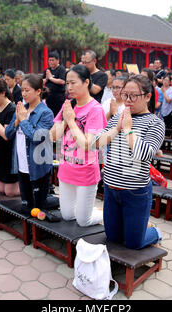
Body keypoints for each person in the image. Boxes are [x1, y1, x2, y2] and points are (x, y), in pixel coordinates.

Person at [93, 75, 164, 249]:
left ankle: (154, 233)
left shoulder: (155, 123)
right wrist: (117, 127)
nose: (127, 100)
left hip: (136, 192)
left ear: (147, 97)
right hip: (111, 188)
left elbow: (144, 153)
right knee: (113, 238)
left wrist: (127, 130)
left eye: (133, 96)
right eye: (124, 95)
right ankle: (135, 228)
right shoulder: (118, 117)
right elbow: (96, 143)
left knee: (134, 243)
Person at [50, 65, 107, 227]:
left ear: (86, 82)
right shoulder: (68, 105)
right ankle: (87, 209)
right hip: (66, 169)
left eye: (73, 83)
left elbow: (88, 144)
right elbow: (53, 136)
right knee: (67, 216)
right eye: (67, 83)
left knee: (83, 221)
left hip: (85, 171)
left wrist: (70, 121)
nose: (69, 87)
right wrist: (66, 119)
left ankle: (103, 213)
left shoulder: (95, 109)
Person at [0, 74, 54, 209]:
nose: (23, 93)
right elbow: (8, 134)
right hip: (22, 165)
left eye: (27, 90)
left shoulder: (45, 113)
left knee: (39, 207)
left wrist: (23, 120)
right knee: (26, 206)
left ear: (38, 91)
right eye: (22, 90)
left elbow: (36, 137)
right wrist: (17, 120)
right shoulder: (21, 109)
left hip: (38, 166)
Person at [43, 51, 67, 116]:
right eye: (49, 60)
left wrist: (51, 78)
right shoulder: (47, 70)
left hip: (58, 97)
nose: (51, 62)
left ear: (57, 60)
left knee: (58, 115)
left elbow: (62, 81)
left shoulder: (61, 69)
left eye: (53, 60)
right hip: (49, 97)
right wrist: (47, 79)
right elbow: (42, 81)